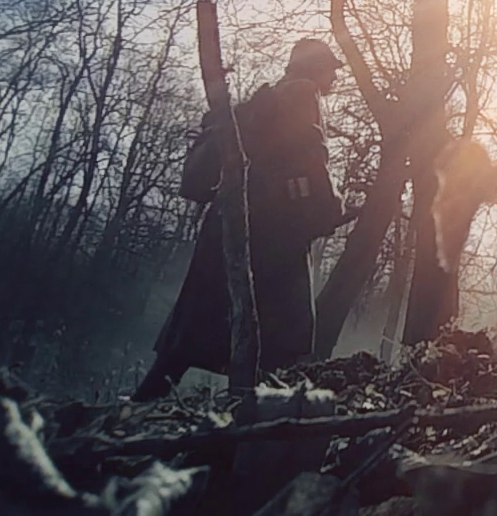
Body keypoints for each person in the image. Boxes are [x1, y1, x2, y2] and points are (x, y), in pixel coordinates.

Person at [133, 38, 345, 400]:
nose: (334, 78)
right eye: (330, 69)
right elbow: (311, 154)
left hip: (228, 222)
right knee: (281, 333)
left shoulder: (264, 101)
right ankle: (256, 413)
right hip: (273, 233)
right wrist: (330, 208)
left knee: (197, 325)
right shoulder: (302, 94)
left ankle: (141, 405)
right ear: (315, 68)